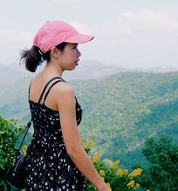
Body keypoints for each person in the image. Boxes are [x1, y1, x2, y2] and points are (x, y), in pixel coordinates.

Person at [20, 20, 111, 191]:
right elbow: (73, 149)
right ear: (55, 51)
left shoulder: (36, 81)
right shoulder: (62, 90)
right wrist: (101, 186)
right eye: (74, 47)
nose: (79, 53)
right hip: (59, 175)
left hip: (37, 170)